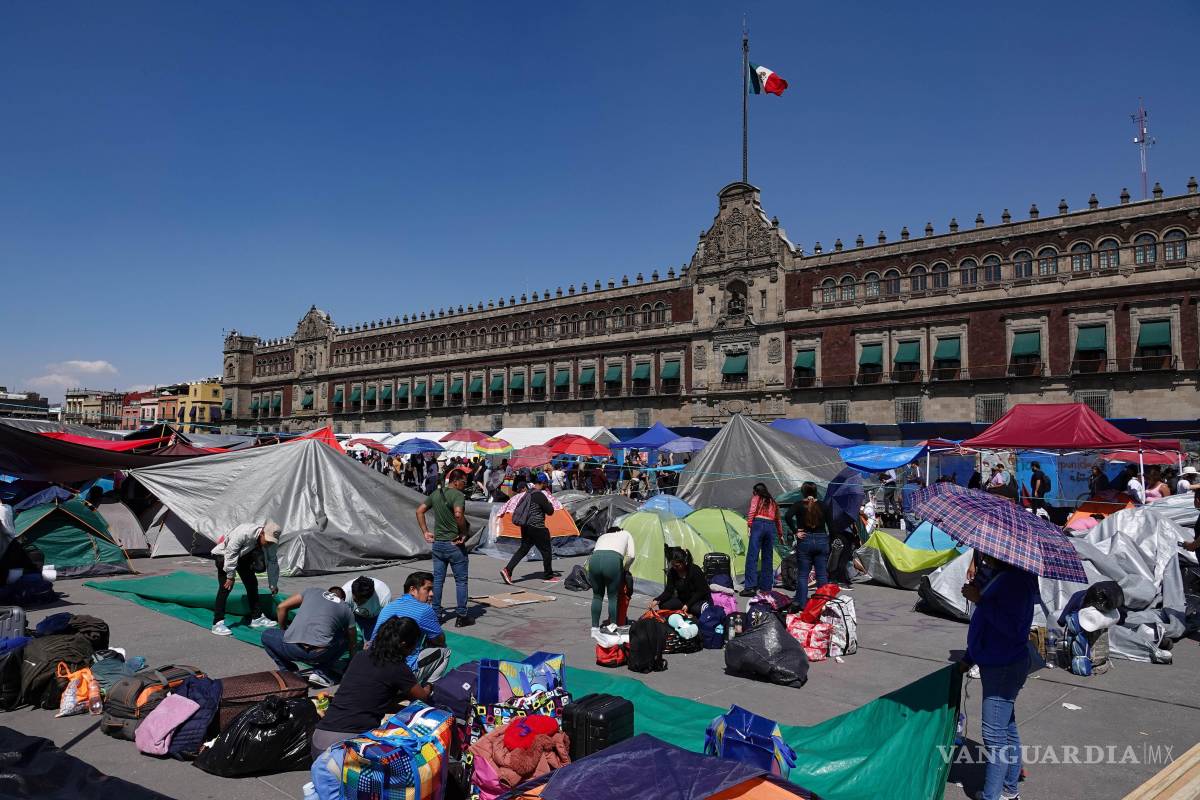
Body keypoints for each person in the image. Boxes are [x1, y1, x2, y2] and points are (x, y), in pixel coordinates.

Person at [959, 553, 1038, 800]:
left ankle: (994, 796)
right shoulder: (1002, 575)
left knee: (994, 737)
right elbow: (986, 625)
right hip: (996, 660)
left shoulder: (1016, 581)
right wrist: (969, 657)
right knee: (1007, 728)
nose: (982, 553)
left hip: (1003, 664)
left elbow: (1012, 629)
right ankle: (1009, 790)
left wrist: (980, 600)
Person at [310, 616, 434, 758]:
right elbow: (422, 699)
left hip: (319, 740)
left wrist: (399, 707)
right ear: (403, 644)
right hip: (345, 748)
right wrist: (430, 686)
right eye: (414, 646)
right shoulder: (397, 668)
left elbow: (371, 700)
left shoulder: (360, 656)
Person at [262, 586, 356, 688]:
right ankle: (321, 672)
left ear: (327, 592)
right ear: (342, 599)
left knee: (266, 635)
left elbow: (281, 607)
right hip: (318, 653)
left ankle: (289, 671)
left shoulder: (313, 591)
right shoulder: (346, 608)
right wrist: (352, 661)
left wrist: (285, 632)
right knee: (345, 638)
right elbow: (352, 641)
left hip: (292, 648)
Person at [416, 469, 474, 627]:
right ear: (456, 481)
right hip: (454, 544)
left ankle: (435, 614)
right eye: (464, 482)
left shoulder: (435, 494)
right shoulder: (457, 495)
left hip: (438, 544)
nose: (465, 485)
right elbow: (458, 514)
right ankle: (461, 616)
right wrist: (463, 532)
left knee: (438, 580)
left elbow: (419, 511)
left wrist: (425, 532)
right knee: (461, 581)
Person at [372, 571, 450, 683]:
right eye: (428, 589)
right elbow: (440, 640)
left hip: (376, 666)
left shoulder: (389, 606)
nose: (432, 594)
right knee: (444, 651)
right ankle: (429, 687)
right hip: (401, 672)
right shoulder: (424, 610)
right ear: (413, 589)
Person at [210, 521, 280, 637]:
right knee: (225, 587)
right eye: (267, 541)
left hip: (243, 555)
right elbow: (230, 553)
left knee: (252, 584)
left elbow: (272, 561)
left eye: (271, 542)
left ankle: (256, 617)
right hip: (224, 556)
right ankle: (217, 623)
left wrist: (273, 584)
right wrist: (230, 576)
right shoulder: (244, 532)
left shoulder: (272, 540)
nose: (269, 544)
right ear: (262, 533)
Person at [501, 472, 558, 585]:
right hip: (537, 527)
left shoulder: (529, 493)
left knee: (523, 549)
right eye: (546, 483)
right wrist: (549, 501)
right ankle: (548, 575)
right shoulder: (540, 495)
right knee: (546, 551)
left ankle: (508, 570)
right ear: (543, 483)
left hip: (526, 526)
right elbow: (550, 511)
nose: (547, 485)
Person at [788, 482, 829, 612]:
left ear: (803, 492)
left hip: (805, 540)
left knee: (803, 575)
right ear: (816, 491)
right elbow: (831, 521)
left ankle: (801, 603)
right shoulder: (823, 505)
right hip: (821, 539)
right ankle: (823, 603)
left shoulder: (798, 505)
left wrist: (796, 531)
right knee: (822, 575)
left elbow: (787, 516)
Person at [588, 526, 636, 629]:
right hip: (613, 560)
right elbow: (631, 555)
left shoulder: (602, 536)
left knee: (597, 596)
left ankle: (595, 627)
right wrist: (625, 568)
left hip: (594, 560)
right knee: (612, 597)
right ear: (620, 530)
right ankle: (613, 626)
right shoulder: (626, 533)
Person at [741, 482, 782, 597]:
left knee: (752, 556)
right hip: (770, 526)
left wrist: (749, 525)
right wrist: (780, 534)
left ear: (756, 491)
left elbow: (752, 511)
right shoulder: (773, 502)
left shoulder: (756, 498)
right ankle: (766, 587)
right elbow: (778, 519)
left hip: (758, 524)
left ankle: (750, 587)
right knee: (768, 558)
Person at [649, 547, 708, 617]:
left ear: (684, 562)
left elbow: (701, 591)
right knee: (663, 605)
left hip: (697, 600)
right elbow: (669, 591)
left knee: (695, 609)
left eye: (677, 566)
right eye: (673, 565)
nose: (674, 568)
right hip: (683, 600)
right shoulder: (672, 572)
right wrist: (657, 600)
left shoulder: (695, 570)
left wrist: (688, 604)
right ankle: (679, 616)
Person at [340, 576, 392, 640]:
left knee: (374, 640)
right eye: (355, 600)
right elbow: (339, 618)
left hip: (376, 617)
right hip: (354, 615)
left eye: (361, 601)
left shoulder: (384, 595)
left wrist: (372, 640)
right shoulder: (345, 592)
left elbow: (385, 623)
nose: (358, 604)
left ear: (371, 596)